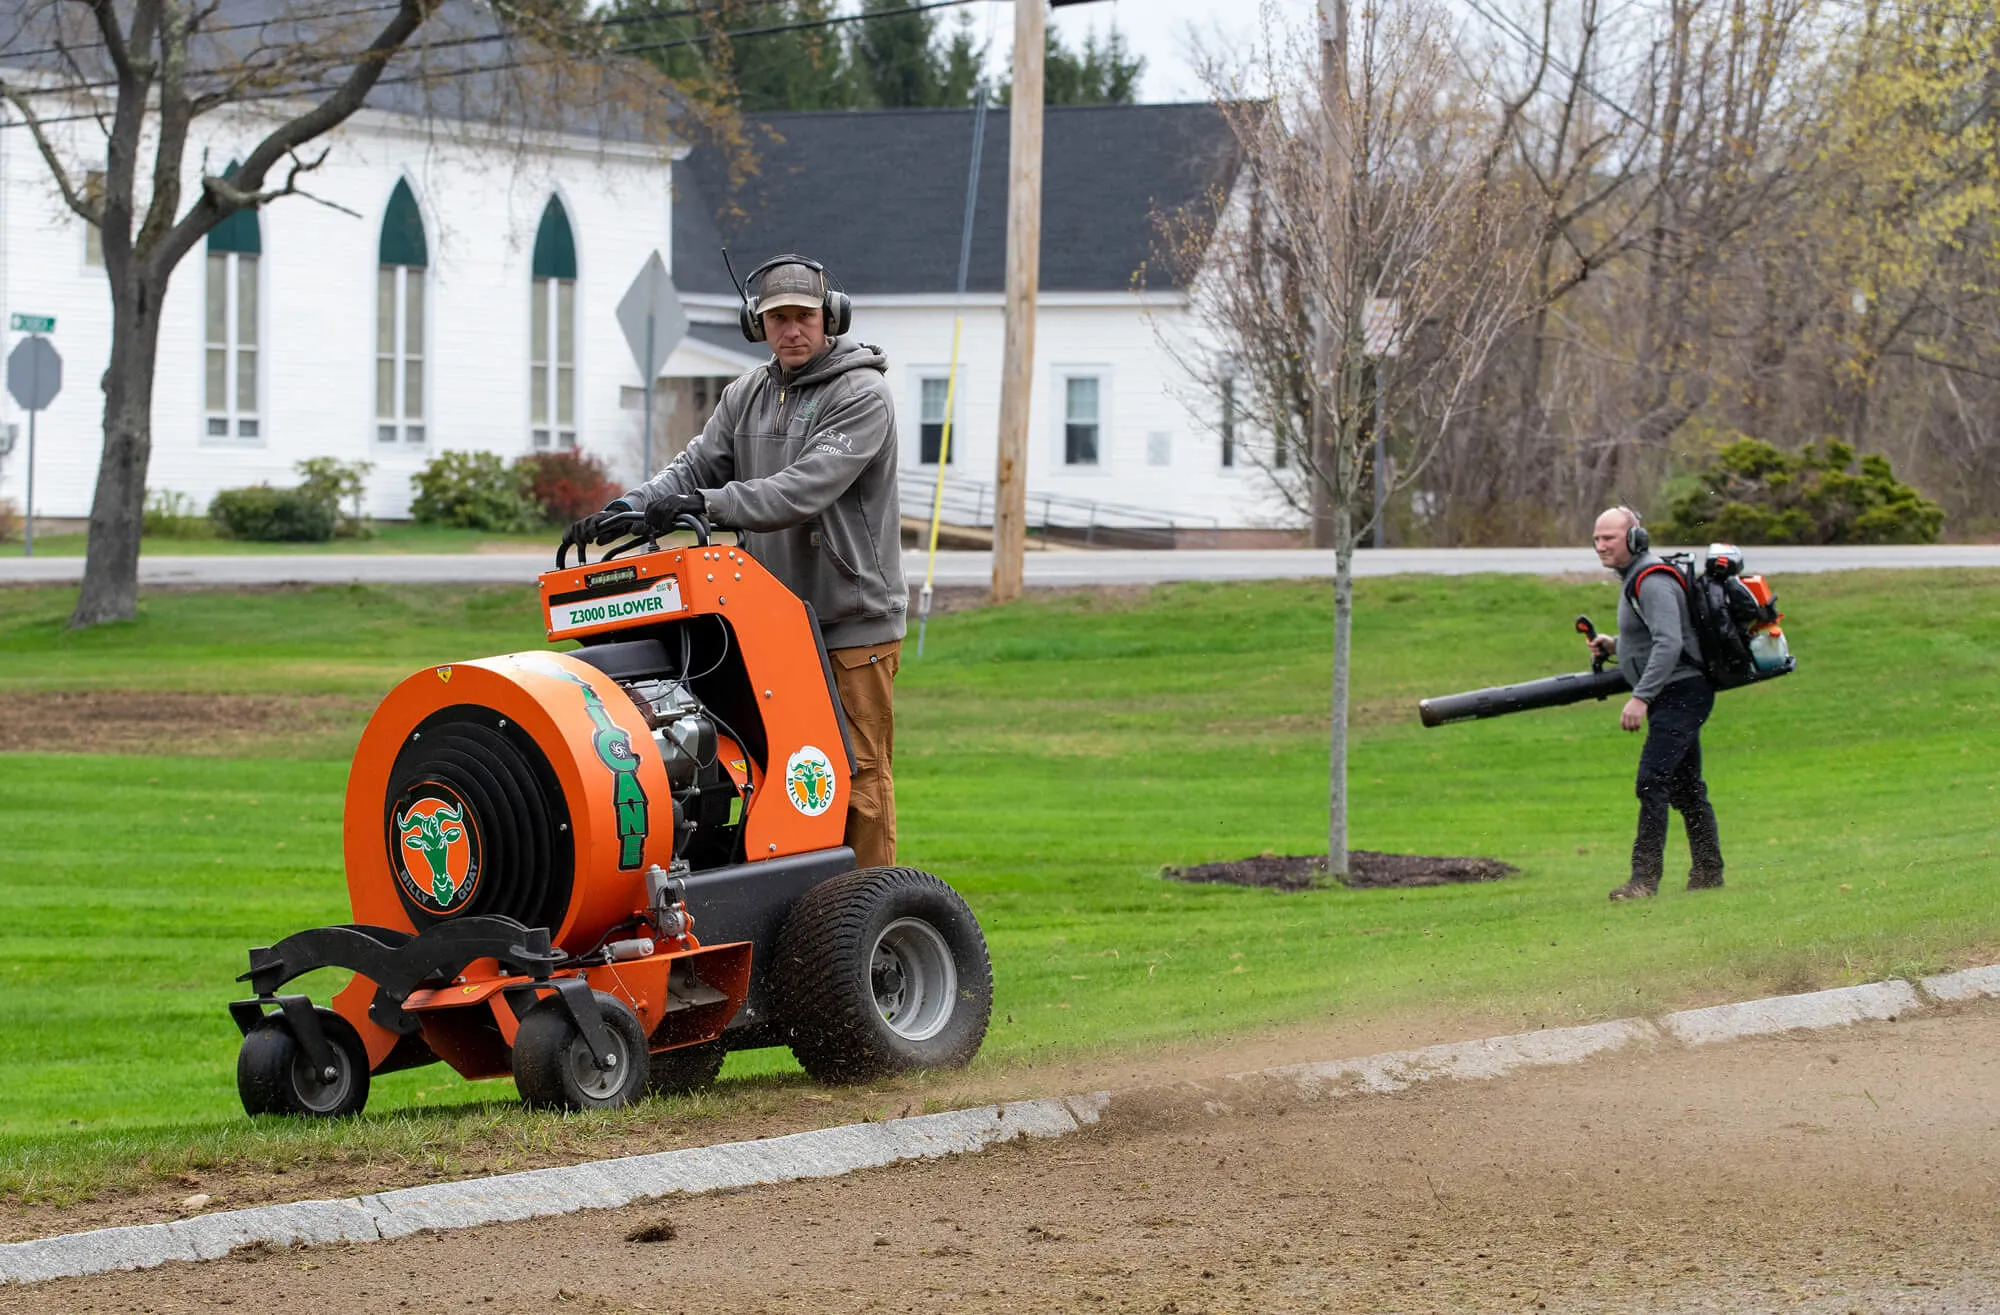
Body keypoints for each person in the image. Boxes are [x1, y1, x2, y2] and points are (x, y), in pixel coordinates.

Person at [566, 256, 907, 869]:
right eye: (778, 319)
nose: (792, 330)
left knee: (856, 778)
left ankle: (868, 918)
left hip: (851, 624)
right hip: (770, 624)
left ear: (830, 316)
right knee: (768, 772)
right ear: (758, 325)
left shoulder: (862, 395)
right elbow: (693, 467)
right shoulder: (747, 393)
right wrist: (630, 508)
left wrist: (703, 504)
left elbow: (797, 490)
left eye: (803, 316)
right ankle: (796, 919)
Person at [1587, 506, 1725, 901]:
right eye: (1596, 539)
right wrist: (1616, 645)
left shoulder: (1651, 580)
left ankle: (1643, 880)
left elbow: (1670, 642)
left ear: (1634, 539)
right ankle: (1708, 872)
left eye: (1609, 538)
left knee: (1652, 781)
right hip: (1675, 691)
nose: (1601, 546)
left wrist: (1640, 697)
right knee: (1685, 788)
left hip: (1680, 693)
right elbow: (1657, 636)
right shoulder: (1637, 577)